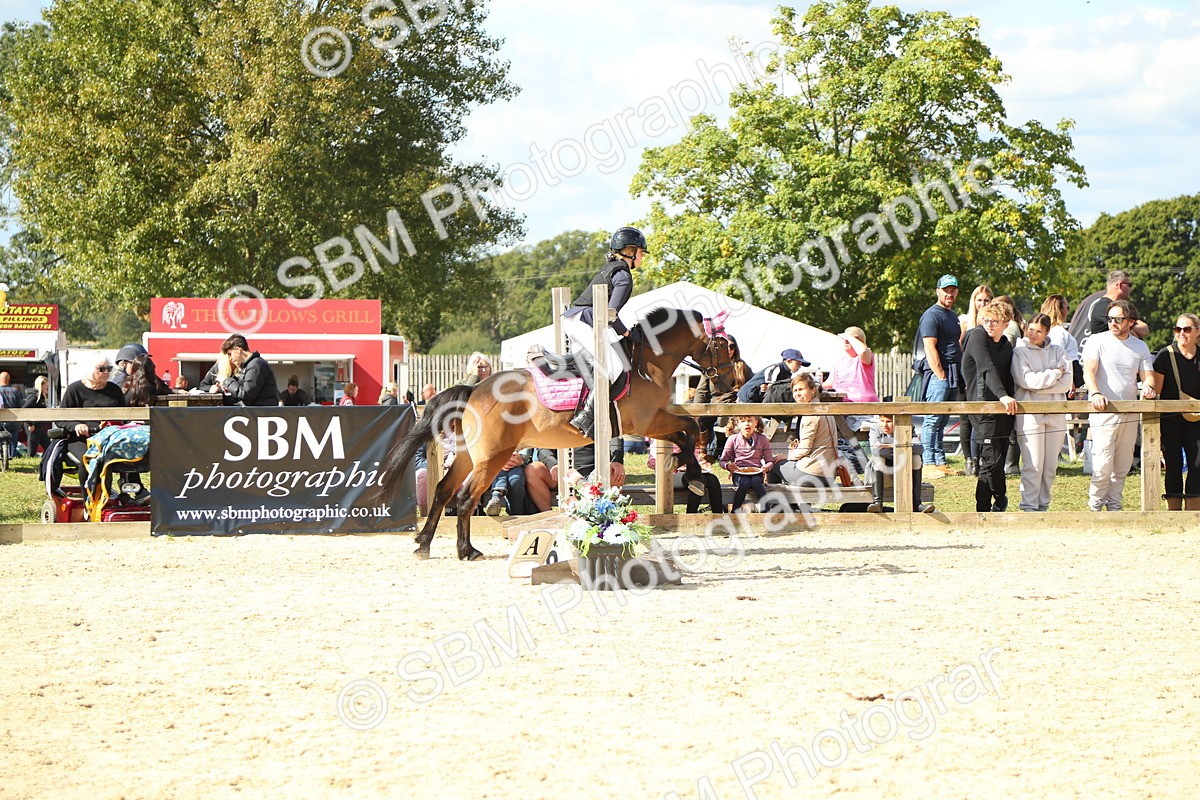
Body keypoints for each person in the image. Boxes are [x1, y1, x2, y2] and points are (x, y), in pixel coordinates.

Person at [561, 226, 646, 438]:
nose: (642, 257)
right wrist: (627, 334)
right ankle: (585, 418)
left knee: (588, 367)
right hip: (584, 321)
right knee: (614, 367)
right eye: (641, 252)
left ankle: (577, 409)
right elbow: (610, 314)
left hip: (577, 320)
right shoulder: (623, 276)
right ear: (630, 251)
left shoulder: (611, 269)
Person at [1081, 299, 1156, 511]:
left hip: (1130, 411)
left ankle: (1115, 507)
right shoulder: (1097, 340)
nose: (1113, 322)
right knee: (1103, 463)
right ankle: (1094, 507)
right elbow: (1089, 370)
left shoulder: (1140, 346)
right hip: (1103, 410)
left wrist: (1148, 388)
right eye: (1110, 318)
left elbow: (1147, 376)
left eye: (1118, 319)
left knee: (1122, 464)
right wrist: (1095, 392)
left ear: (1131, 322)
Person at [961, 302, 1019, 512]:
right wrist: (1003, 396)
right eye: (986, 320)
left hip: (1004, 409)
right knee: (991, 459)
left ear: (1006, 324)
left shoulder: (1005, 344)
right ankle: (1001, 497)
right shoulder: (977, 337)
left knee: (995, 458)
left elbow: (1008, 375)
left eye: (995, 321)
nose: (989, 325)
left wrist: (1009, 397)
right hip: (983, 407)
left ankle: (984, 508)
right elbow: (987, 368)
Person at [1012, 313, 1071, 511]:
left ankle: (1043, 504)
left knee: (1049, 466)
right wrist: (1055, 373)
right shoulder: (1020, 352)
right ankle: (1028, 506)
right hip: (1030, 413)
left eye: (1039, 331)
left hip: (1055, 412)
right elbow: (1027, 381)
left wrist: (1042, 384)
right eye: (1031, 329)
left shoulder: (1059, 350)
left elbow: (1066, 384)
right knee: (1033, 464)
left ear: (1046, 332)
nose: (1034, 334)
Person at [1150, 314, 1200, 511]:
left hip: (1196, 419)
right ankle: (1173, 511)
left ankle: (1193, 512)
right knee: (1173, 463)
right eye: (1177, 329)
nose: (1181, 334)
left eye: (1187, 329)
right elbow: (1156, 390)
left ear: (1197, 332)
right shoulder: (1165, 355)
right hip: (1170, 419)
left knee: (1197, 464)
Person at [915, 274, 963, 472]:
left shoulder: (952, 315)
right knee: (932, 418)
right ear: (938, 291)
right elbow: (929, 347)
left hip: (953, 372)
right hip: (939, 373)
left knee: (943, 419)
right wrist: (940, 374)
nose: (950, 294)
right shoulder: (932, 315)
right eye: (946, 290)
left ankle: (940, 462)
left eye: (953, 290)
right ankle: (928, 463)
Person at [769, 372, 841, 488]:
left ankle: (773, 505)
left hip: (813, 474)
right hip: (829, 475)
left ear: (813, 390)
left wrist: (786, 456)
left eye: (801, 389)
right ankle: (792, 505)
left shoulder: (811, 415)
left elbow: (805, 450)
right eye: (795, 390)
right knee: (788, 467)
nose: (797, 394)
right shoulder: (824, 410)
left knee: (774, 464)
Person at [694, 333, 752, 461]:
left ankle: (728, 454)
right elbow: (701, 391)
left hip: (735, 404)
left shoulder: (742, 367)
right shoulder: (711, 368)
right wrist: (696, 410)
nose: (729, 350)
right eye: (725, 346)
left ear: (735, 349)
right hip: (714, 404)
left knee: (723, 421)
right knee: (700, 421)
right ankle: (704, 453)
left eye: (732, 346)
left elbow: (752, 387)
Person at [866, 409, 935, 513]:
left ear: (896, 421)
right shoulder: (875, 429)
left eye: (889, 422)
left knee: (916, 458)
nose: (885, 425)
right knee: (878, 459)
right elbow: (875, 450)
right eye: (882, 421)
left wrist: (889, 445)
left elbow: (919, 449)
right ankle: (877, 503)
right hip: (883, 475)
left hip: (903, 471)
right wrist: (904, 446)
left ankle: (917, 504)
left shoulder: (907, 427)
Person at [957, 286, 993, 476]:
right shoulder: (965, 322)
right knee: (966, 419)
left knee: (980, 419)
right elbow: (959, 348)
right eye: (979, 300)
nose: (982, 304)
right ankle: (969, 459)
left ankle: (980, 458)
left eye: (986, 300)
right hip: (968, 374)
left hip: (984, 376)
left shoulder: (992, 322)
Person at [823, 326, 879, 434]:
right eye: (844, 338)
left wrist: (852, 338)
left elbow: (862, 351)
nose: (846, 340)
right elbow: (831, 382)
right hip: (841, 407)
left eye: (849, 338)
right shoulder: (839, 360)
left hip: (863, 408)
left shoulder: (865, 356)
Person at [199, 335, 280, 406]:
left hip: (261, 414)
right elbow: (241, 395)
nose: (230, 358)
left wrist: (226, 381)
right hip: (256, 413)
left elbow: (246, 395)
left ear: (238, 349)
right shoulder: (249, 365)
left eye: (230, 354)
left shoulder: (256, 365)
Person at [649, 443, 726, 514]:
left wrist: (701, 464)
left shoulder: (689, 439)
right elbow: (651, 463)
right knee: (698, 480)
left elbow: (693, 460)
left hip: (691, 473)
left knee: (712, 479)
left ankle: (718, 515)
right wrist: (672, 463)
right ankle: (690, 515)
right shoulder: (661, 441)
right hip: (670, 475)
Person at [719, 416, 773, 512]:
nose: (747, 424)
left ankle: (766, 511)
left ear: (756, 422)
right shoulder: (733, 439)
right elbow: (722, 460)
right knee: (745, 482)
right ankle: (735, 512)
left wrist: (766, 467)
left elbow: (770, 461)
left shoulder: (762, 439)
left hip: (757, 472)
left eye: (750, 421)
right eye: (743, 421)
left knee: (756, 481)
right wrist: (728, 466)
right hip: (739, 473)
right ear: (738, 423)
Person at [737, 348, 809, 403]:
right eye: (798, 363)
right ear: (789, 361)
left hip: (755, 400)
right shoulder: (776, 368)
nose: (800, 366)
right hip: (746, 398)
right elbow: (771, 389)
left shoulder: (787, 373)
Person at [483, 450, 528, 516]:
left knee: (516, 480)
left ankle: (497, 496)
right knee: (500, 470)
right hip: (498, 462)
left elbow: (528, 447)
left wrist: (521, 458)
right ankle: (495, 499)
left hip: (518, 463)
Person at [22, 375, 51, 457]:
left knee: (48, 445)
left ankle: (45, 460)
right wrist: (30, 424)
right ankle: (28, 465)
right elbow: (24, 409)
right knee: (32, 450)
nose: (47, 388)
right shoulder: (34, 396)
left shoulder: (41, 397)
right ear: (41, 385)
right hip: (33, 426)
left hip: (38, 426)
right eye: (46, 386)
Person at [0, 371, 24, 458]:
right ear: (9, 380)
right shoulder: (15, 391)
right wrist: (22, 422)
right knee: (13, 443)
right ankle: (12, 458)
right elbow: (21, 406)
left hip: (1, 420)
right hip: (14, 420)